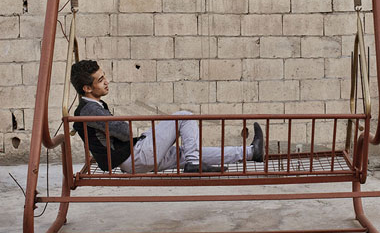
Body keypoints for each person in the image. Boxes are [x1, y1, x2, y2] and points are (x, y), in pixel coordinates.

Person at [69, 59, 264, 173]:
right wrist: (123, 127)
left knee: (185, 153)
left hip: (132, 157)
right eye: (101, 80)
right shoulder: (89, 110)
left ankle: (250, 152)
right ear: (87, 88)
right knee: (184, 117)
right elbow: (124, 131)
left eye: (104, 77)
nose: (107, 82)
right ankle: (194, 164)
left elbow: (119, 132)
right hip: (133, 157)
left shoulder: (92, 106)